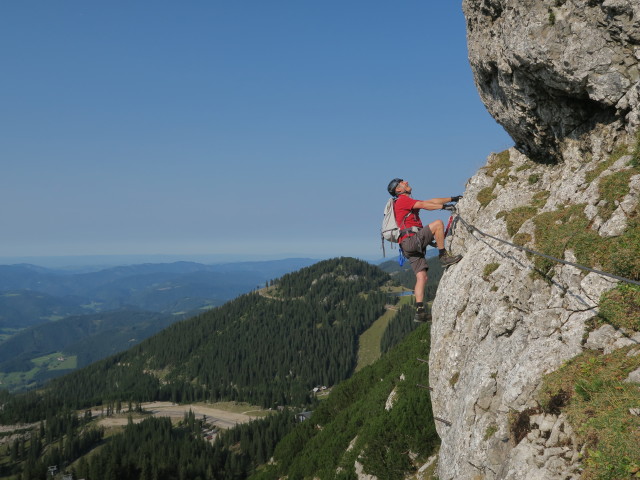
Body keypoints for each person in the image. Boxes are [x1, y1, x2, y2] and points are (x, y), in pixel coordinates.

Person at [387, 178, 463, 323]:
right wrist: (444, 207)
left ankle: (420, 311)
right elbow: (424, 205)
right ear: (398, 190)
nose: (407, 182)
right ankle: (443, 256)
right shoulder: (403, 200)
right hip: (411, 240)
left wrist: (452, 198)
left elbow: (431, 201)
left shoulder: (405, 201)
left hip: (407, 245)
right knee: (438, 224)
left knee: (422, 277)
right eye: (403, 183)